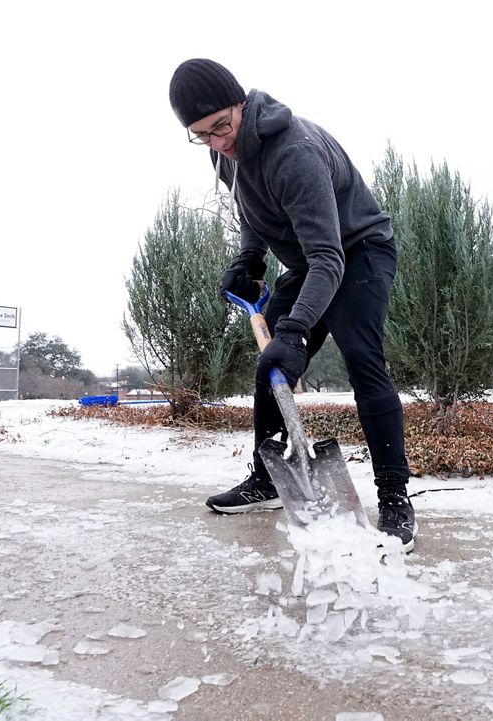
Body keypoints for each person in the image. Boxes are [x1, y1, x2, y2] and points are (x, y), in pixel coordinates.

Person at [168, 58, 415, 551]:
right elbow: (251, 206)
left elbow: (330, 256)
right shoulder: (223, 152)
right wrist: (250, 257)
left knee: (362, 360)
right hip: (310, 260)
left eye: (222, 126)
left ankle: (394, 500)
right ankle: (266, 478)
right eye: (202, 135)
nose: (218, 142)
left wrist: (297, 329)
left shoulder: (293, 153)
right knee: (270, 361)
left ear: (241, 104)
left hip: (358, 251)